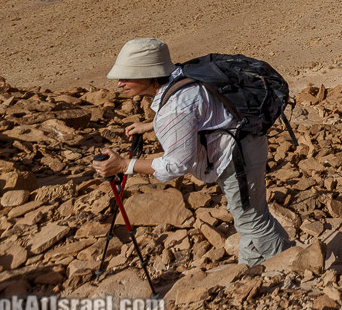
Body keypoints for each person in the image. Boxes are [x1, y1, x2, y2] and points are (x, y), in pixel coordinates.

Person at [92, 38, 290, 266]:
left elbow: (176, 164)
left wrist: (124, 166)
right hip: (244, 141)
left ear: (148, 74)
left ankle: (283, 267)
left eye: (127, 76)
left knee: (251, 219)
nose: (119, 84)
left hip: (238, 156)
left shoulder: (174, 108)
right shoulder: (181, 74)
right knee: (249, 213)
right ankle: (254, 266)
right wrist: (151, 125)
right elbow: (195, 112)